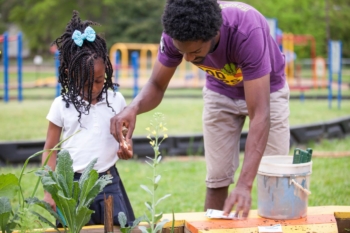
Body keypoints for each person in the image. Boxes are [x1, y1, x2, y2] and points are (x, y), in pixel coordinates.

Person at [110, 0, 290, 219]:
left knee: (275, 174)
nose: (187, 59)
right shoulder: (175, 33)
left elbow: (260, 114)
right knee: (217, 177)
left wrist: (244, 185)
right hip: (220, 91)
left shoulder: (246, 29)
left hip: (268, 91)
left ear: (214, 33)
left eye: (195, 51)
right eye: (181, 51)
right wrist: (133, 108)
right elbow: (157, 85)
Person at [42, 11, 135, 226]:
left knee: (116, 229)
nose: (94, 88)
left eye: (99, 80)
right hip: (71, 186)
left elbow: (125, 139)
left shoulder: (116, 101)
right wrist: (49, 191)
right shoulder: (61, 105)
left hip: (108, 182)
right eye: (85, 82)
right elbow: (49, 149)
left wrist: (126, 147)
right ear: (69, 73)